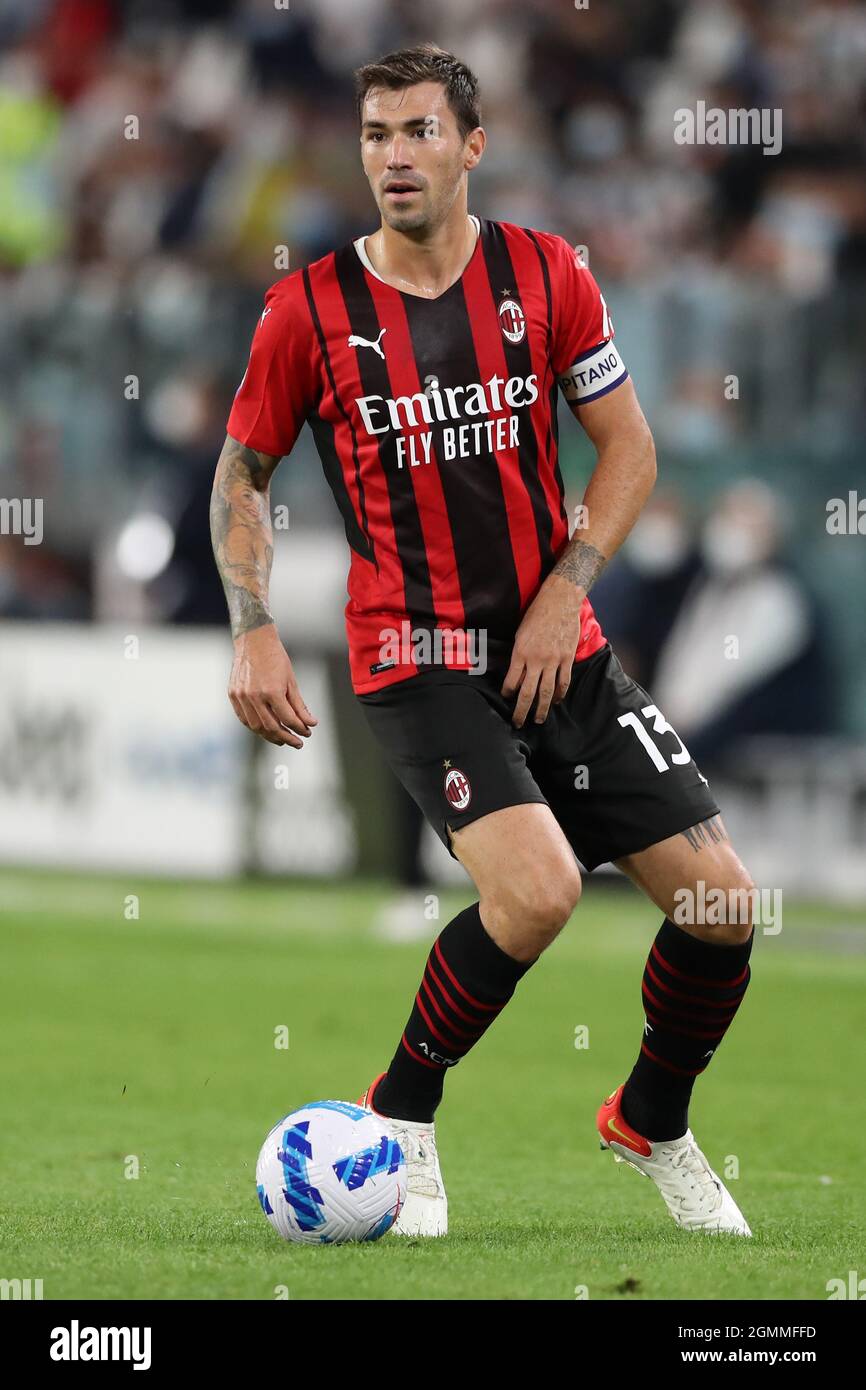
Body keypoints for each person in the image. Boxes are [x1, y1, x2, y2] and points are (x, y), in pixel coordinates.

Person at [210, 44, 757, 1239]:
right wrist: (251, 626)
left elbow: (629, 450)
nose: (392, 156)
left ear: (472, 144)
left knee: (722, 908)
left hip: (557, 643)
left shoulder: (543, 271)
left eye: (416, 131)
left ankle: (649, 1117)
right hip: (417, 657)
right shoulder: (306, 309)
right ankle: (401, 1113)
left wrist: (568, 585)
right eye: (372, 134)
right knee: (540, 889)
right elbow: (242, 472)